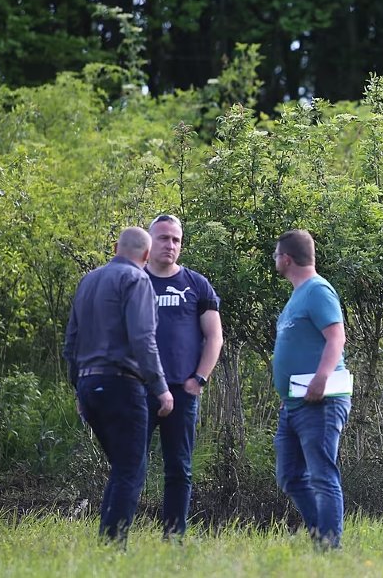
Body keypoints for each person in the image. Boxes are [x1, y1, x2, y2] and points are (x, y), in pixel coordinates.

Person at [62, 227, 173, 545]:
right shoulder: (137, 280)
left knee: (123, 466)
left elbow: (71, 340)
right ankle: (113, 546)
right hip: (122, 385)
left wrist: (77, 388)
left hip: (88, 384)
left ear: (115, 248)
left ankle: (107, 540)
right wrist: (160, 387)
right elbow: (142, 339)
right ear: (147, 255)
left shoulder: (88, 280)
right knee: (131, 469)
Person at [144, 213, 223, 539]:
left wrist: (199, 379)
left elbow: (214, 336)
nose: (170, 245)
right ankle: (117, 534)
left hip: (182, 390)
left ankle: (173, 536)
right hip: (140, 389)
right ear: (149, 242)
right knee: (131, 466)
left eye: (176, 239)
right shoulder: (134, 280)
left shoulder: (196, 284)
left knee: (179, 469)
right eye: (163, 238)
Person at [271, 229, 351, 550]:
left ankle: (329, 547)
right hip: (294, 402)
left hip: (321, 398)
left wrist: (321, 377)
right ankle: (322, 534)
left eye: (276, 255)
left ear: (286, 259)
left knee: (321, 475)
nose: (275, 260)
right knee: (290, 475)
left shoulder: (318, 290)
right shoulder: (297, 295)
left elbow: (336, 337)